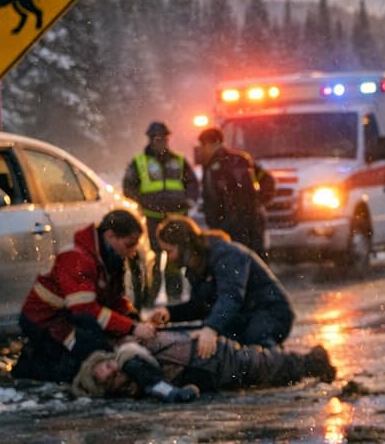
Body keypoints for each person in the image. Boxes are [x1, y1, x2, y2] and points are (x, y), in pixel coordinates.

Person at [12, 209, 159, 384]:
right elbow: (85, 310)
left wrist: (134, 320)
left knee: (101, 344)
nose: (132, 252)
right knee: (91, 352)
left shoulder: (106, 260)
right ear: (110, 236)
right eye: (129, 245)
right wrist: (131, 328)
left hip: (67, 317)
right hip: (44, 321)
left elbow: (115, 299)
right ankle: (33, 368)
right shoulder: (77, 258)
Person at [151, 214, 295, 356]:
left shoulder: (227, 254)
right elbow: (199, 306)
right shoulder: (198, 265)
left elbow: (231, 297)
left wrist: (211, 328)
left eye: (169, 251)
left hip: (271, 313)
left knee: (251, 347)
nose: (167, 257)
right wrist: (169, 313)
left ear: (183, 245)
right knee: (200, 337)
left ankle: (281, 361)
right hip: (244, 315)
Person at [71, 330, 337, 401]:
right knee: (267, 369)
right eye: (106, 380)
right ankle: (311, 363)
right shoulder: (130, 375)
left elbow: (153, 382)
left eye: (105, 368)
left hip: (211, 361)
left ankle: (314, 361)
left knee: (266, 366)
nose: (112, 373)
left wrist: (174, 394)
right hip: (210, 364)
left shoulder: (127, 359)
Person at [122, 120, 199, 301]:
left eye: (163, 138)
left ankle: (175, 299)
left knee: (176, 259)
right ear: (150, 140)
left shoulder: (179, 161)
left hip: (177, 219)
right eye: (156, 138)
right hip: (152, 218)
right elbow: (128, 187)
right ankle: (150, 300)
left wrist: (189, 200)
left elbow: (193, 183)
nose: (160, 142)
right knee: (152, 260)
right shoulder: (139, 162)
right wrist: (142, 201)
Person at [197, 125, 272, 258]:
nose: (202, 149)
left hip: (230, 227)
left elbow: (213, 199)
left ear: (215, 143)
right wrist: (257, 203)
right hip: (250, 223)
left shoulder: (216, 167)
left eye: (204, 145)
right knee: (255, 261)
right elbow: (268, 180)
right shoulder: (241, 159)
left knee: (235, 262)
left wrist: (218, 221)